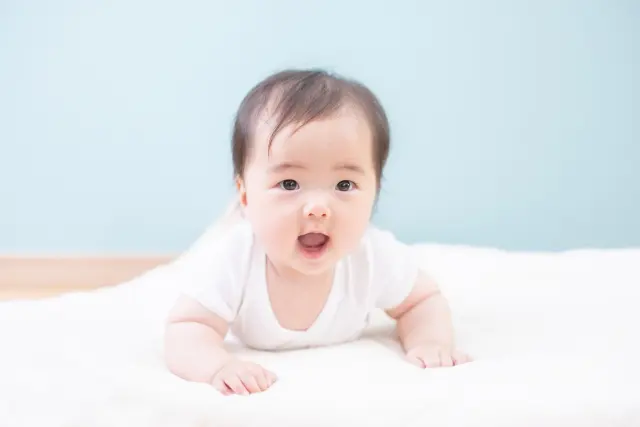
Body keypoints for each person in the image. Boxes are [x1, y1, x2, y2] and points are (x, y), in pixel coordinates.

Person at [163, 69, 471, 396]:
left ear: (374, 193)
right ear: (245, 195)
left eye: (344, 185)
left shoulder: (370, 255)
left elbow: (422, 300)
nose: (318, 208)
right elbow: (187, 327)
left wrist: (429, 341)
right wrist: (218, 367)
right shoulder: (234, 258)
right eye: (289, 184)